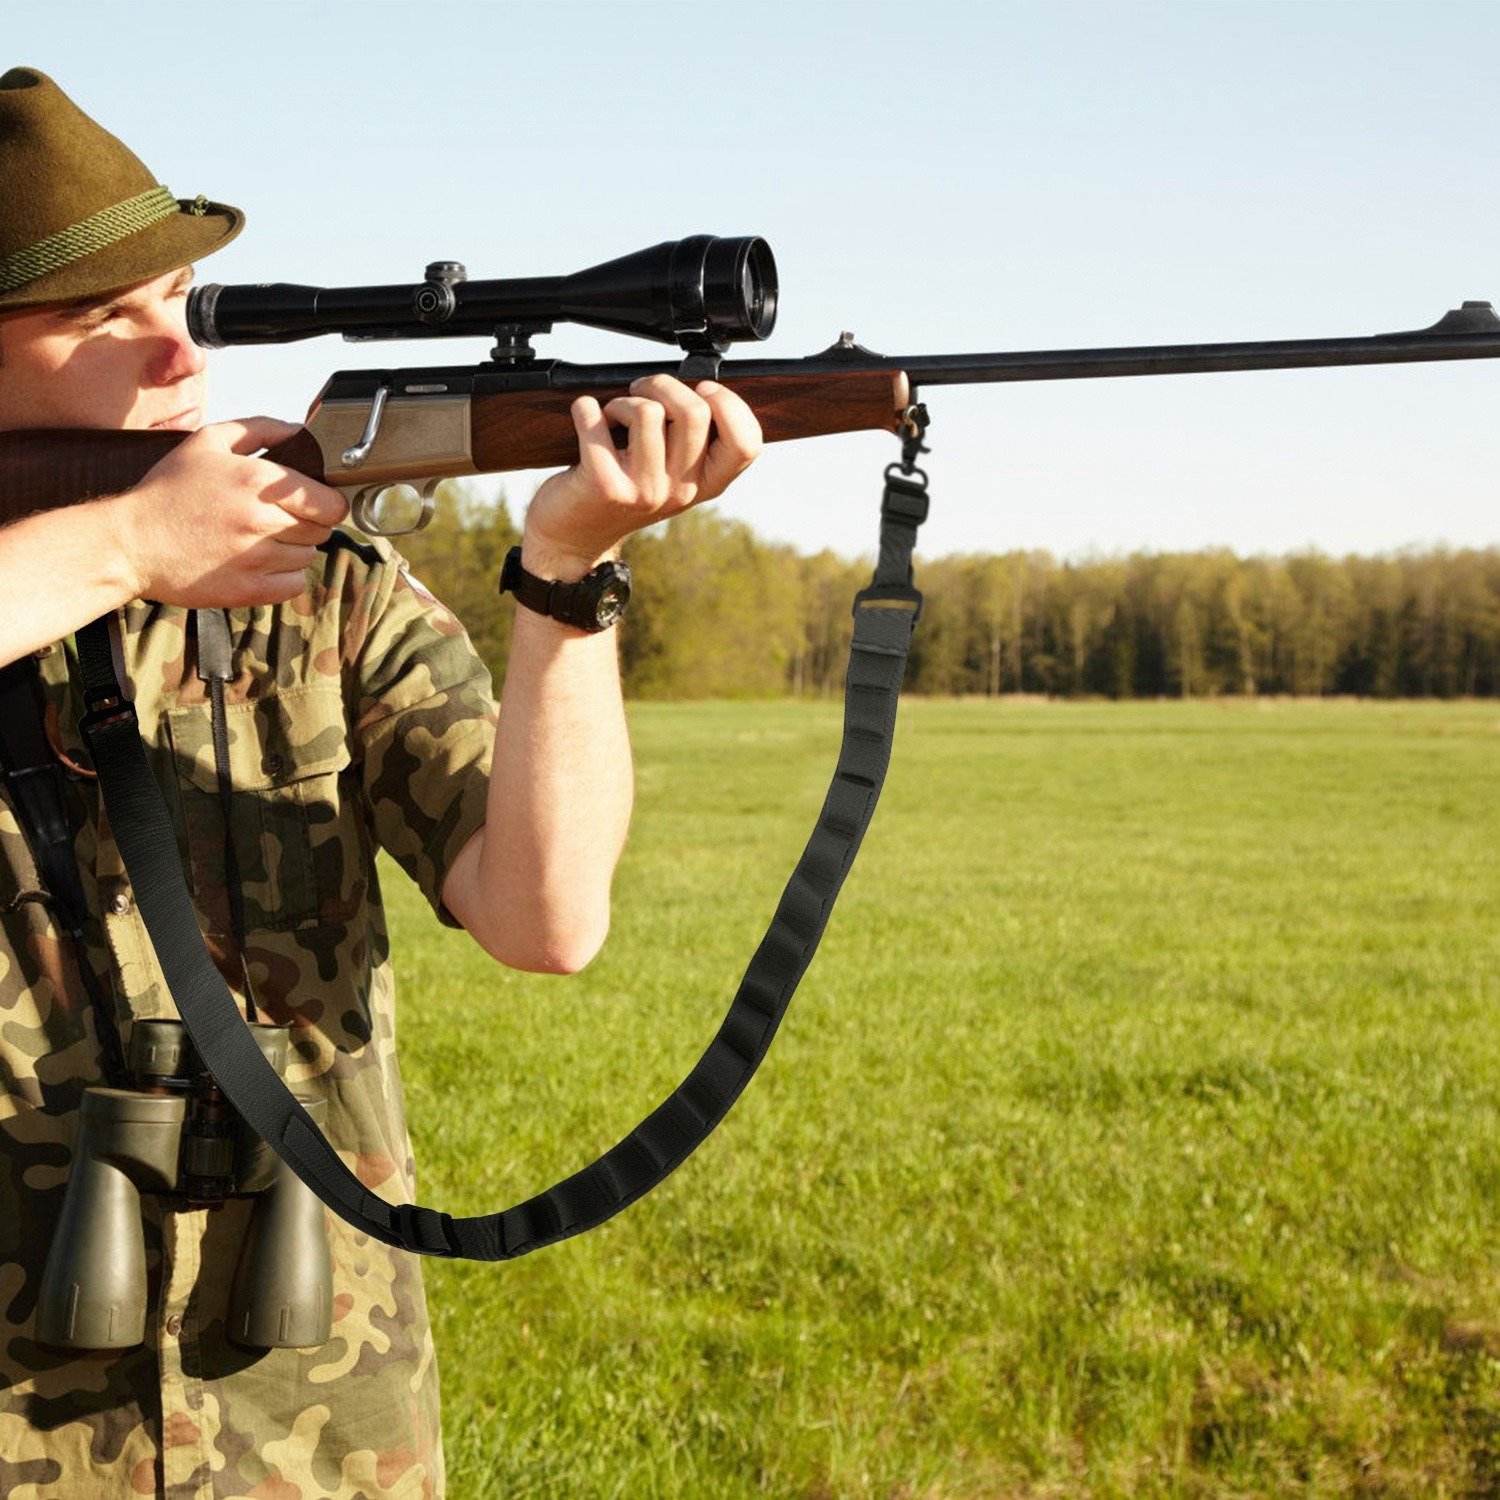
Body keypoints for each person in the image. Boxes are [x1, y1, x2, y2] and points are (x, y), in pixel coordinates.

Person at [0, 67, 761, 1499]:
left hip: (312, 1416)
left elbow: (545, 916)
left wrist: (569, 571)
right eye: (103, 319)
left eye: (183, 301)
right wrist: (125, 548)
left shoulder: (322, 584)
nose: (178, 358)